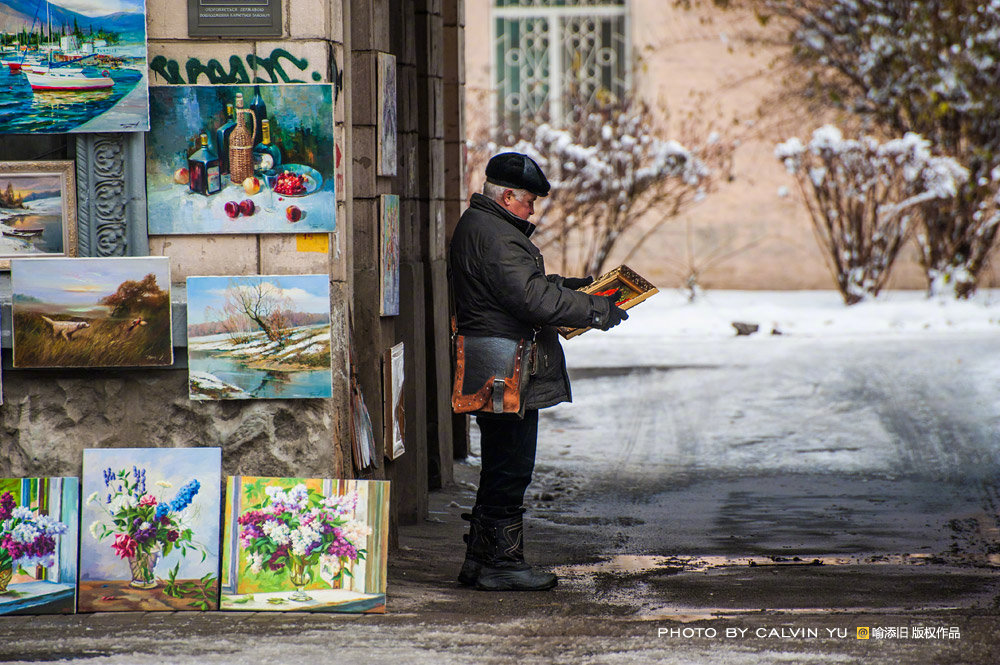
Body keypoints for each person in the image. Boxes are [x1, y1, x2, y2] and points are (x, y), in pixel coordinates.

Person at [448, 152, 629, 591]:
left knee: (500, 464)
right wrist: (595, 308)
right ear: (508, 196)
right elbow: (531, 301)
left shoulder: (487, 228)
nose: (533, 209)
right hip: (502, 364)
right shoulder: (496, 236)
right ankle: (502, 565)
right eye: (529, 200)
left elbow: (522, 289)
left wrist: (572, 288)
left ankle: (481, 561)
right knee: (511, 466)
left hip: (496, 359)